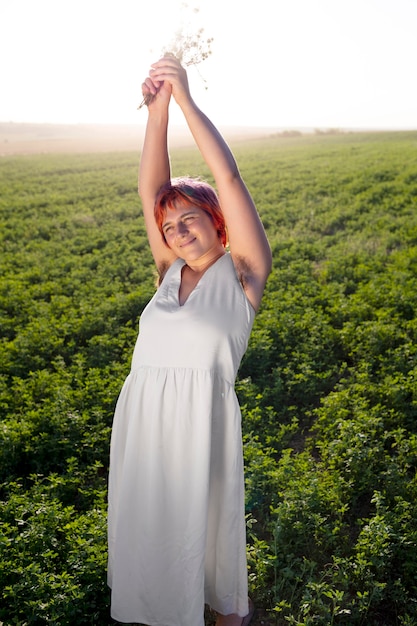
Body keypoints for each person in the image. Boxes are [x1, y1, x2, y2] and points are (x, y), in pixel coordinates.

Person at [107, 56, 272, 626]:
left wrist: (184, 102)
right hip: (145, 416)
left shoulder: (244, 273)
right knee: (151, 527)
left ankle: (221, 614)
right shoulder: (166, 272)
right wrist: (155, 116)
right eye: (168, 225)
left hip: (201, 419)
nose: (177, 230)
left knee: (205, 530)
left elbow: (229, 178)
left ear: (215, 218)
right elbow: (151, 189)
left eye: (189, 218)